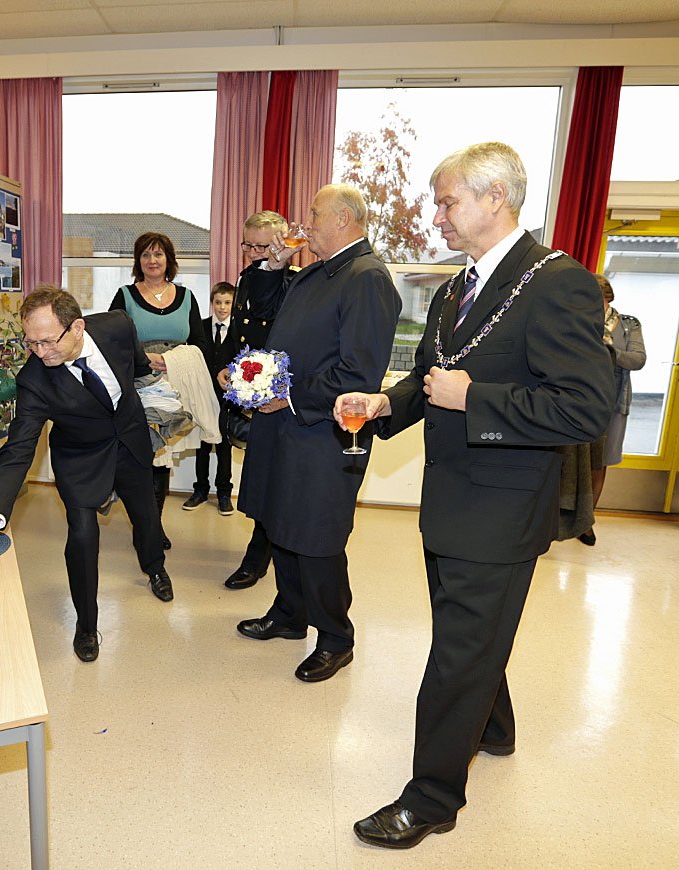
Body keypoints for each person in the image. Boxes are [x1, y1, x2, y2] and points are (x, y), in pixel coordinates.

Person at [339, 142, 615, 849]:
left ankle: (431, 797)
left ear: (496, 198)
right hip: (450, 500)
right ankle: (495, 727)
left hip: (501, 508)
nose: (436, 217)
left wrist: (477, 399)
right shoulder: (454, 289)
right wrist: (384, 405)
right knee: (469, 638)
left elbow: (584, 409)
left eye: (447, 202)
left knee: (457, 655)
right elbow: (432, 377)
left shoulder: (558, 282)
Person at [229, 185, 401, 683]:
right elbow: (262, 317)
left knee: (316, 537)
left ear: (343, 218)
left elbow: (359, 373)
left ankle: (335, 638)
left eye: (313, 213)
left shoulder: (366, 278)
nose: (302, 223)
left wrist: (289, 396)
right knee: (281, 524)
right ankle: (289, 614)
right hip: (285, 426)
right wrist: (275, 265)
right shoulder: (314, 272)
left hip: (324, 433)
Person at [0, 287, 172, 662]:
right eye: (31, 342)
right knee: (82, 537)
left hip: (130, 442)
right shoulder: (34, 380)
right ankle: (86, 624)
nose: (40, 352)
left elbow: (136, 367)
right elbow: (19, 449)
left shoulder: (118, 326)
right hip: (80, 458)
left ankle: (155, 569)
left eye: (48, 341)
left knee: (146, 514)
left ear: (77, 327)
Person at [109, 231, 209, 548]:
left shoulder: (187, 297)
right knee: (142, 455)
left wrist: (172, 360)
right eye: (145, 255)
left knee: (163, 457)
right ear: (138, 261)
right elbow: (111, 342)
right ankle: (145, 525)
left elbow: (201, 344)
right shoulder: (125, 296)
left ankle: (154, 527)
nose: (152, 260)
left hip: (176, 384)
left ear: (169, 260)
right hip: (138, 386)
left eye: (158, 254)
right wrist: (144, 359)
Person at [223, 210, 292, 590]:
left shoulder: (294, 282)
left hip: (281, 397)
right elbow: (240, 331)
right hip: (250, 391)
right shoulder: (247, 276)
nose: (252, 253)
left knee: (274, 484)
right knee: (259, 480)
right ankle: (261, 554)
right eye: (247, 245)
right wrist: (228, 368)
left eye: (261, 246)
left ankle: (259, 558)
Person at [577, 274, 645, 545]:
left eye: (600, 301)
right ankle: (561, 519)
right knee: (569, 460)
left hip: (613, 403)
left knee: (600, 462)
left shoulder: (628, 325)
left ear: (609, 299)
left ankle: (587, 523)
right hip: (578, 400)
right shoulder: (575, 320)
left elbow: (638, 360)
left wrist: (607, 350)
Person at [184, 282, 239, 515]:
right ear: (212, 303)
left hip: (228, 399)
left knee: (224, 446)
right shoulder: (200, 328)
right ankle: (200, 490)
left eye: (227, 302)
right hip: (202, 396)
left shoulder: (239, 330)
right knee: (203, 445)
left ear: (233, 304)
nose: (222, 307)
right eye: (218, 302)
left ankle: (224, 493)